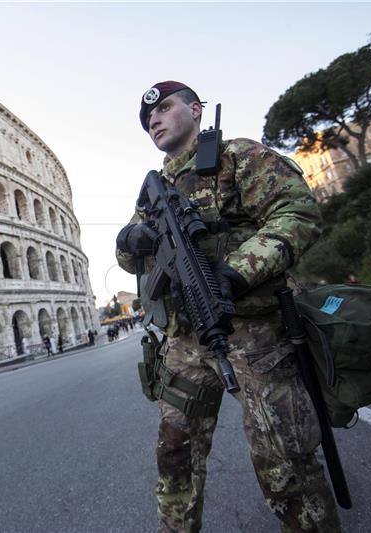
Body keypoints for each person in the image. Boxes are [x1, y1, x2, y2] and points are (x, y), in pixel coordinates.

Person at [116, 81, 340, 532]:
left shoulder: (238, 156)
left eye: (163, 108)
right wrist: (130, 240)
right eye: (146, 119)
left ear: (196, 110)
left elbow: (297, 212)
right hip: (185, 340)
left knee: (284, 461)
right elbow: (127, 260)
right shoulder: (153, 192)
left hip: (256, 333)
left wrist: (239, 270)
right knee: (175, 453)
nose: (153, 120)